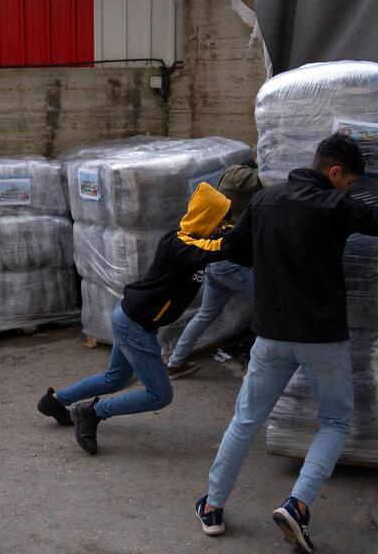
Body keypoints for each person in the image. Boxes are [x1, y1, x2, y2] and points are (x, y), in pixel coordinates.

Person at [194, 133, 378, 552]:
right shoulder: (337, 205)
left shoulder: (264, 200)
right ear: (334, 172)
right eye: (348, 180)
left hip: (271, 335)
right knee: (334, 422)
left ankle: (213, 507)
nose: (349, 187)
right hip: (322, 339)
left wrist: (274, 254)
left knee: (245, 421)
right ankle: (298, 505)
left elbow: (237, 253)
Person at [37, 182, 245, 455]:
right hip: (135, 325)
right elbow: (218, 248)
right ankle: (93, 412)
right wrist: (248, 230)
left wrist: (234, 230)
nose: (222, 227)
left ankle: (55, 401)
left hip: (130, 318)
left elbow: (222, 241)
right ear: (206, 220)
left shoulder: (194, 242)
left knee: (114, 379)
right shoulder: (179, 244)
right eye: (219, 221)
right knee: (159, 395)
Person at [166, 159, 264, 380]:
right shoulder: (236, 175)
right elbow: (265, 178)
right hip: (230, 263)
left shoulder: (234, 176)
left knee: (204, 314)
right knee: (269, 306)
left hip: (219, 263)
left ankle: (175, 362)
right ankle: (256, 367)